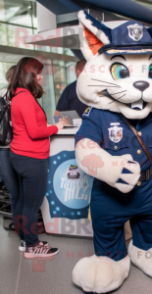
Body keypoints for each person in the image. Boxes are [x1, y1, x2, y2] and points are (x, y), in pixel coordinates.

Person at [8, 57, 65, 258]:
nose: (41, 77)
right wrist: (57, 127)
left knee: (25, 202)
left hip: (21, 156)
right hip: (31, 158)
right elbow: (34, 131)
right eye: (38, 73)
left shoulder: (19, 95)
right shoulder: (24, 98)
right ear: (28, 75)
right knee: (32, 204)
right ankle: (33, 246)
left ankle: (27, 240)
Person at [0, 65, 18, 230]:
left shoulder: (24, 94)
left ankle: (20, 223)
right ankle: (19, 223)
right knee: (14, 188)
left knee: (16, 189)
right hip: (5, 147)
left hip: (16, 147)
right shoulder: (4, 95)